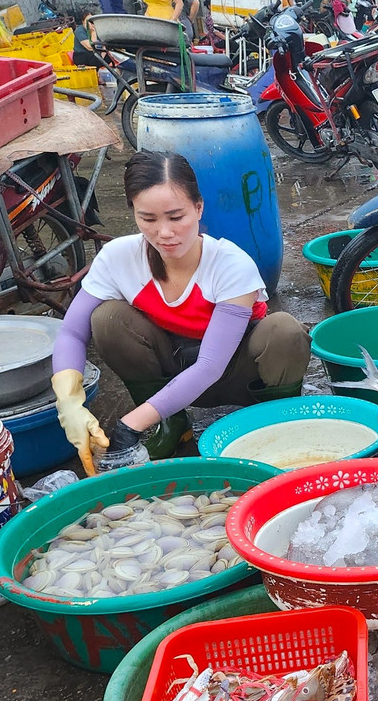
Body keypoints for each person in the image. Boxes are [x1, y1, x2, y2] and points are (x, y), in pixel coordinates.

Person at [52, 151, 310, 473]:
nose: (164, 232)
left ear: (199, 208)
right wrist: (69, 401)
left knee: (284, 331)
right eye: (148, 218)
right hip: (171, 370)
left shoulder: (230, 263)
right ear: (133, 212)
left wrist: (129, 426)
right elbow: (72, 332)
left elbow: (210, 366)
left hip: (235, 372)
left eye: (176, 217)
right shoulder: (118, 257)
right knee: (107, 319)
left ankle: (275, 421)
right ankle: (171, 425)